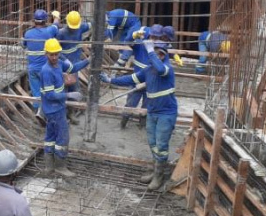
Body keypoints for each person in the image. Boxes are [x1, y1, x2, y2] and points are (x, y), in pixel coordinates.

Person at [101, 39, 178, 191]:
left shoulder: (167, 69)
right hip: (153, 112)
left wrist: (150, 51)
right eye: (153, 53)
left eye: (157, 54)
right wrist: (111, 80)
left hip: (166, 114)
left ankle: (159, 176)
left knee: (161, 146)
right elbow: (130, 79)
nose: (153, 56)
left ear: (162, 55)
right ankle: (155, 170)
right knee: (153, 143)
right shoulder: (148, 71)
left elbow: (161, 69)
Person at [41, 38, 82, 177]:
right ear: (46, 54)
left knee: (51, 137)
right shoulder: (46, 71)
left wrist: (89, 60)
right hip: (54, 109)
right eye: (51, 54)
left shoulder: (59, 64)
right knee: (62, 137)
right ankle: (60, 166)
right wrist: (69, 95)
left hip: (54, 108)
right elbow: (50, 95)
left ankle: (49, 167)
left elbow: (73, 68)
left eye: (56, 54)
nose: (54, 57)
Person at [119, 23, 162, 129]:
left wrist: (175, 56)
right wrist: (133, 36)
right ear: (149, 35)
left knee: (147, 105)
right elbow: (127, 42)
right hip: (137, 81)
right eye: (153, 37)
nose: (154, 40)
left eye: (157, 38)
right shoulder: (141, 44)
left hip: (151, 83)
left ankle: (142, 124)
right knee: (131, 103)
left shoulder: (160, 49)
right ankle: (123, 122)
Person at [22, 9, 59, 111]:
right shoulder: (49, 31)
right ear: (45, 21)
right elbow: (56, 25)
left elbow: (23, 45)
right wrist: (56, 16)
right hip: (45, 69)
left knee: (36, 92)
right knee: (48, 90)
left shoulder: (28, 33)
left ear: (34, 20)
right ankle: (48, 110)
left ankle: (37, 110)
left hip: (32, 68)